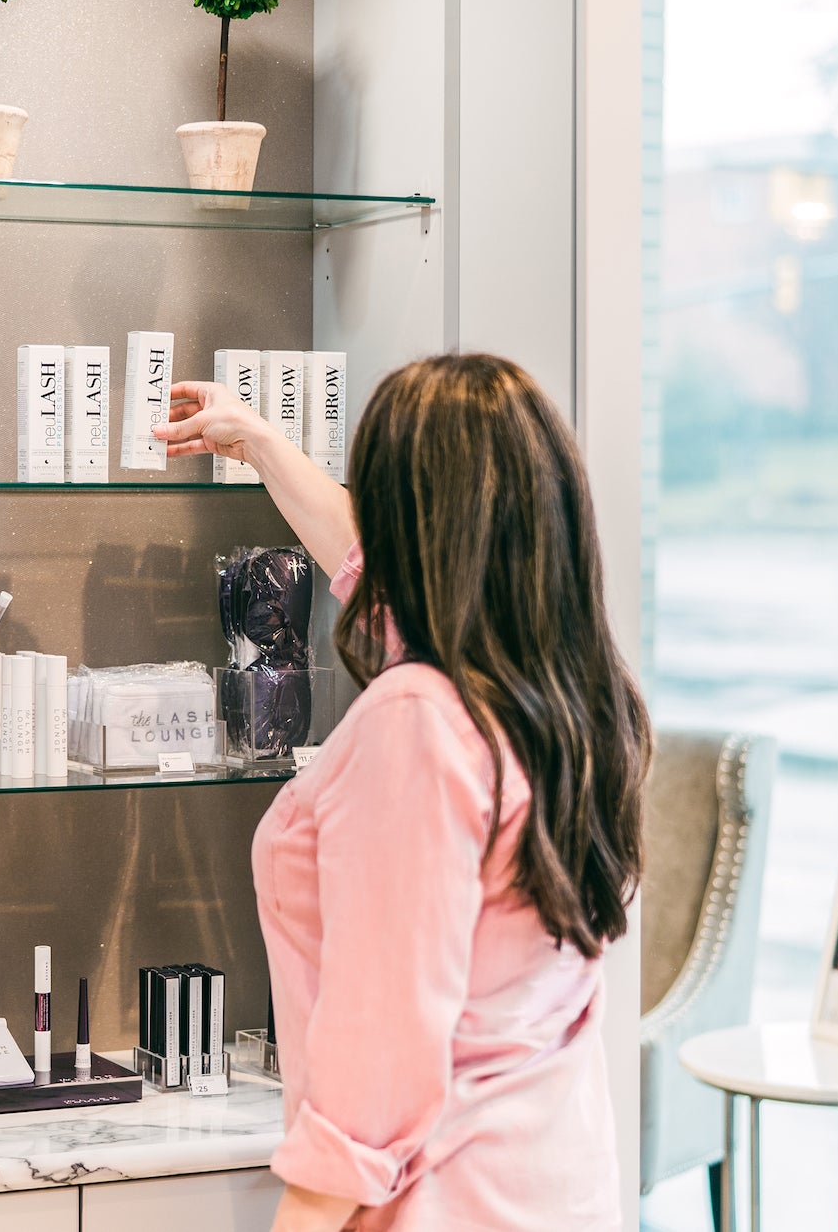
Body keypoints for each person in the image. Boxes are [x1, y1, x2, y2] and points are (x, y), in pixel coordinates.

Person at [154, 354, 648, 1232]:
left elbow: (376, 1069)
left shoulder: (418, 723)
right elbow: (364, 569)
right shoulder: (569, 698)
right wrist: (263, 443)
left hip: (439, 1199)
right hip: (555, 1183)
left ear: (418, 526)